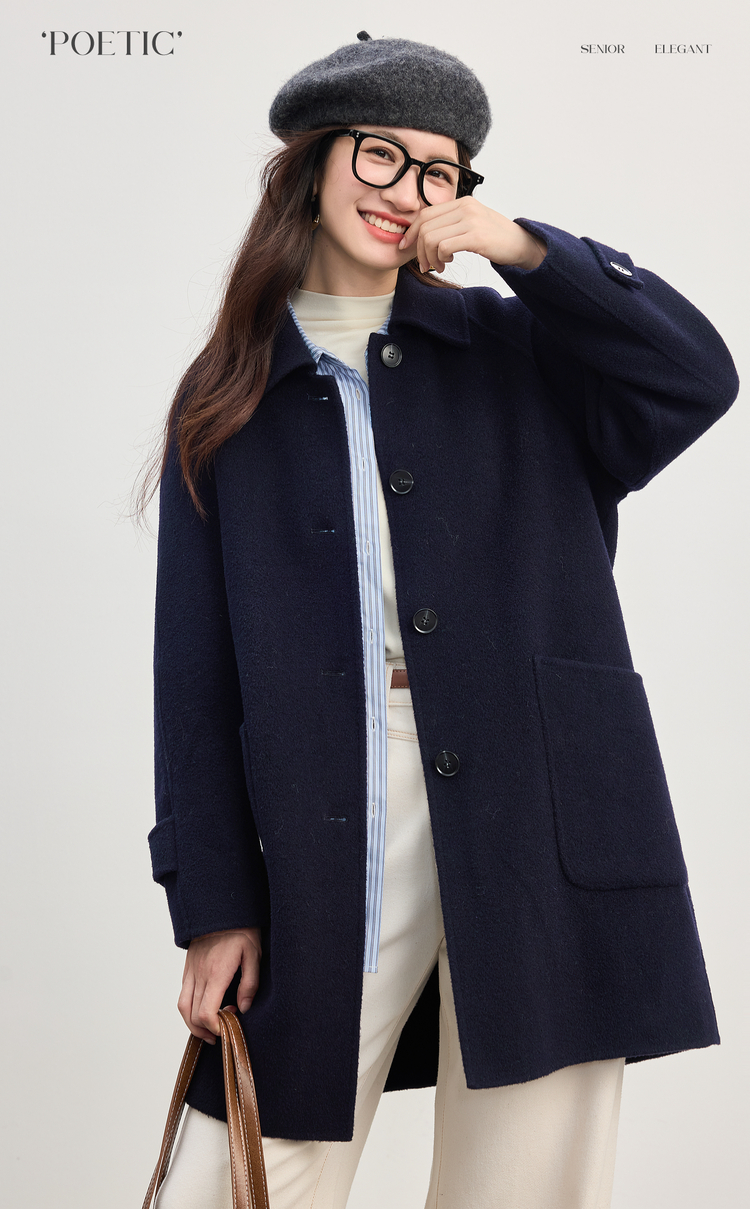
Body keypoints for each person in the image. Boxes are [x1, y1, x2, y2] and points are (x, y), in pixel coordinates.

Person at [146, 32, 738, 1209]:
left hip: (543, 800)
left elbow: (694, 377)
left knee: (525, 1184)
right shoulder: (228, 396)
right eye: (381, 154)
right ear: (314, 161)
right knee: (240, 1173)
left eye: (440, 169)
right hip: (325, 815)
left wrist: (527, 252)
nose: (408, 189)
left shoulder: (517, 350)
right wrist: (211, 905)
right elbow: (193, 678)